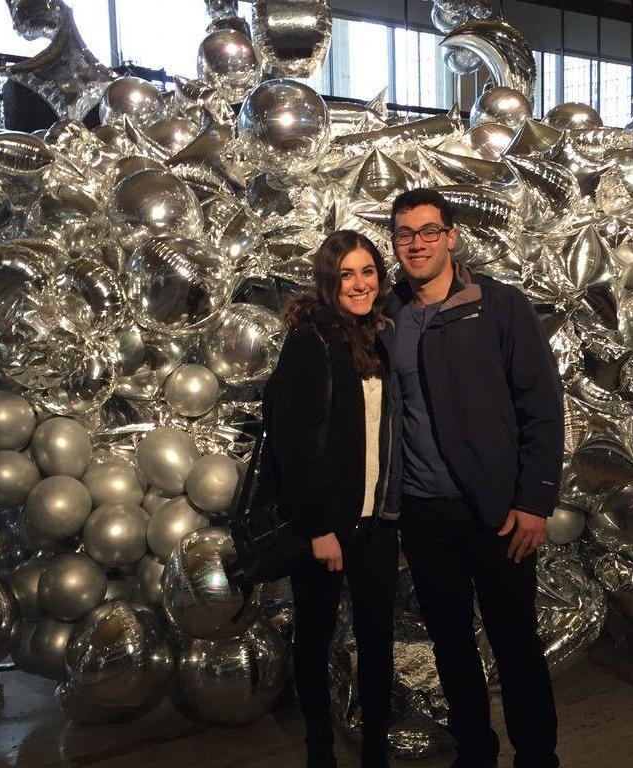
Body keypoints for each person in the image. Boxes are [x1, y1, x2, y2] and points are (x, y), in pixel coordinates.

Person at [385, 188, 564, 768]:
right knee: (451, 644)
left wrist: (534, 501)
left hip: (498, 510)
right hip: (423, 513)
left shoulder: (498, 305)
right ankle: (475, 752)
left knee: (515, 643)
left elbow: (541, 405)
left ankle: (537, 756)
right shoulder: (388, 317)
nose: (417, 244)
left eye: (428, 231)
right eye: (405, 233)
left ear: (451, 236)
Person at [269, 230, 402, 768]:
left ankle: (374, 747)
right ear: (329, 281)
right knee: (315, 636)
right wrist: (318, 528)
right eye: (346, 274)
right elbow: (292, 442)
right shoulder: (312, 340)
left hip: (377, 521)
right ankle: (319, 746)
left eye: (368, 271)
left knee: (377, 639)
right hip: (326, 524)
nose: (359, 284)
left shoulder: (382, 337)